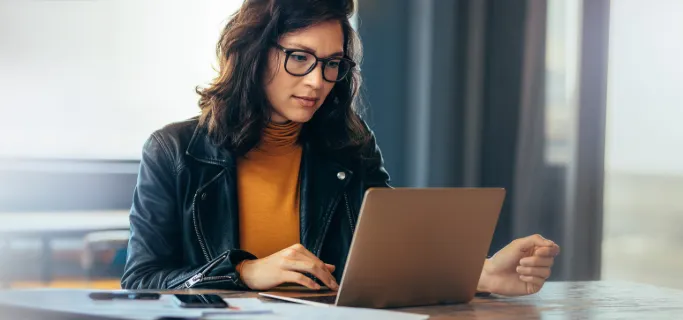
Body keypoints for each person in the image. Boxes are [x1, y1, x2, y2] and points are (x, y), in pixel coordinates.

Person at [120, 0, 560, 296]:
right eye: (299, 57)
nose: (317, 81)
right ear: (253, 53)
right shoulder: (174, 151)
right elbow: (140, 281)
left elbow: (388, 258)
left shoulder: (349, 145)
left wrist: (480, 274)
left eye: (332, 64)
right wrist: (243, 273)